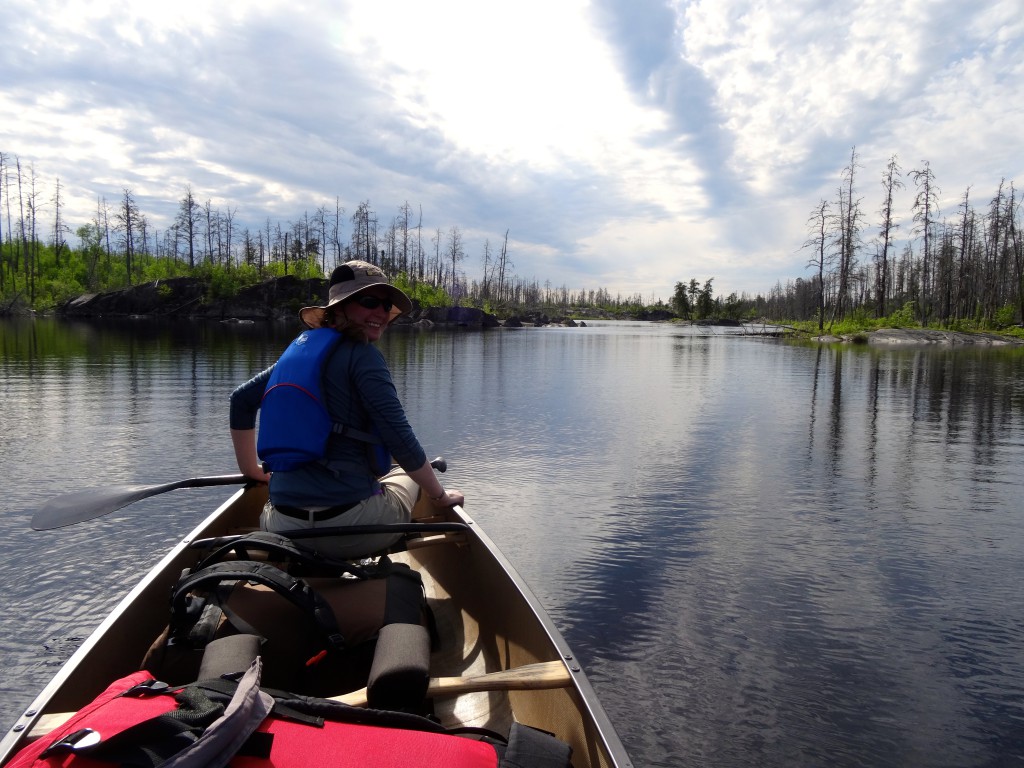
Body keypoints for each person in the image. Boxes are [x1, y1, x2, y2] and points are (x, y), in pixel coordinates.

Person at [229, 260, 464, 559]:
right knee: (411, 478)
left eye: (386, 304)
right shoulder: (364, 357)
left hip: (281, 528)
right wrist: (440, 496)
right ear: (338, 308)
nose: (380, 312)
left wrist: (251, 471)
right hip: (350, 529)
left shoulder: (298, 354)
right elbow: (400, 440)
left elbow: (241, 400)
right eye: (369, 301)